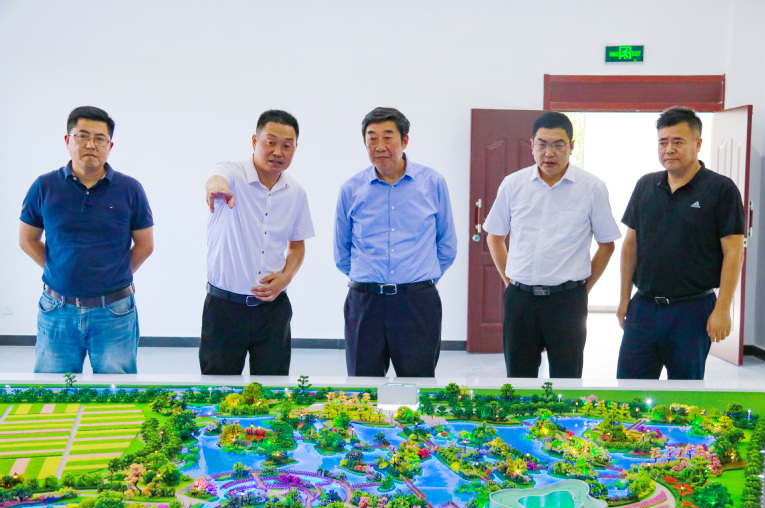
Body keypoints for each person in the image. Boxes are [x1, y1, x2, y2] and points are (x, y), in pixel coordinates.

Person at [483, 111, 621, 378]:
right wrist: (510, 281)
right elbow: (494, 237)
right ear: (532, 145)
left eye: (558, 145)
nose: (549, 153)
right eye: (542, 144)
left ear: (571, 146)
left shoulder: (592, 188)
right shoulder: (513, 184)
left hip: (567, 301)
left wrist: (582, 290)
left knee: (566, 379)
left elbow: (607, 245)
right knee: (519, 380)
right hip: (520, 300)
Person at [19, 106, 154, 374]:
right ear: (68, 140)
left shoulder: (130, 189)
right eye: (82, 136)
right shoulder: (44, 186)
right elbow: (27, 240)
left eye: (100, 138)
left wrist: (112, 275)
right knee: (53, 390)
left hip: (115, 311)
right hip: (57, 310)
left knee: (118, 392)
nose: (91, 144)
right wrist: (59, 270)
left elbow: (145, 245)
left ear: (109, 146)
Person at [616, 107, 745, 380]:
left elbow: (733, 252)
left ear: (698, 144)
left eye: (678, 141)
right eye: (663, 142)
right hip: (643, 307)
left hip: (692, 310)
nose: (669, 149)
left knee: (685, 393)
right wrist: (624, 298)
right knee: (629, 388)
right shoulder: (645, 185)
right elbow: (630, 246)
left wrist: (723, 309)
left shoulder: (721, 189)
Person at [334, 107, 457, 377]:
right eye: (372, 138)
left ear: (405, 140)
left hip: (417, 303)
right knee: (362, 387)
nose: (380, 146)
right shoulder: (351, 189)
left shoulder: (433, 183)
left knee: (417, 383)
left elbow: (447, 246)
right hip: (365, 302)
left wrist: (418, 282)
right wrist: (369, 281)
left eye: (388, 137)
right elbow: (341, 252)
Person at [201, 110, 314, 375]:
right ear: (255, 141)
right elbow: (216, 178)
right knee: (218, 387)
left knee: (273, 388)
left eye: (287, 145)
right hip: (225, 308)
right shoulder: (233, 173)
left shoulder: (296, 193)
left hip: (272, 310)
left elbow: (297, 246)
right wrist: (217, 188)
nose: (278, 152)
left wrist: (285, 278)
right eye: (270, 142)